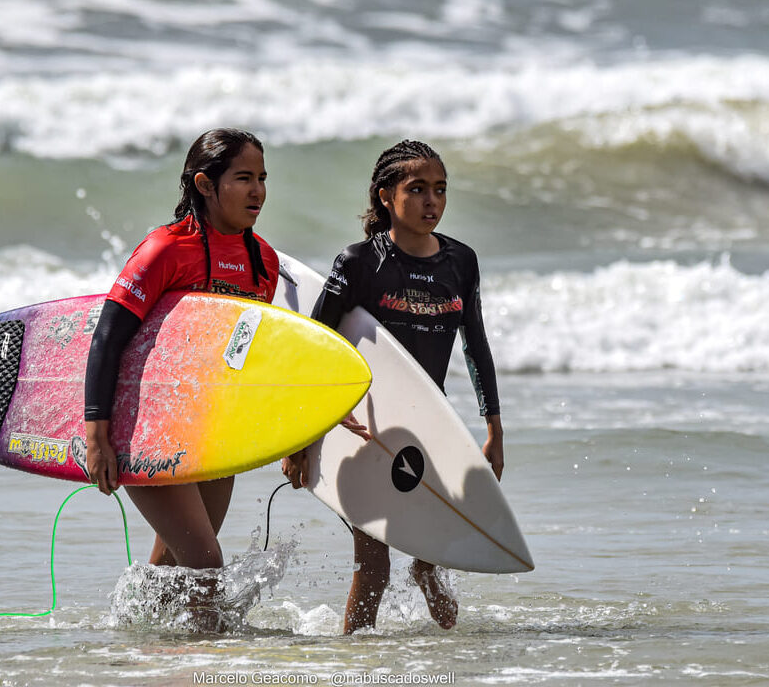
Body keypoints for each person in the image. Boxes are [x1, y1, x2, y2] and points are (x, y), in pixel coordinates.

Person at [281, 139, 502, 634]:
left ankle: (453, 656)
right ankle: (356, 660)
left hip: (427, 426)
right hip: (361, 429)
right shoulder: (360, 262)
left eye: (440, 190)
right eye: (417, 189)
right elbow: (317, 350)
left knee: (435, 554)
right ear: (386, 196)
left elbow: (476, 346)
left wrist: (494, 428)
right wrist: (300, 440)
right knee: (373, 563)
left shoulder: (460, 262)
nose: (432, 202)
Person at [84, 128, 279, 630]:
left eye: (261, 178)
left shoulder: (264, 262)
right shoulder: (164, 250)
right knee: (205, 571)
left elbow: (248, 358)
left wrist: (290, 434)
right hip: (144, 429)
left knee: (174, 571)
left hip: (209, 432)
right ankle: (211, 667)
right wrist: (96, 436)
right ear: (205, 184)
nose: (257, 190)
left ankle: (136, 651)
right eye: (243, 178)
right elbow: (107, 339)